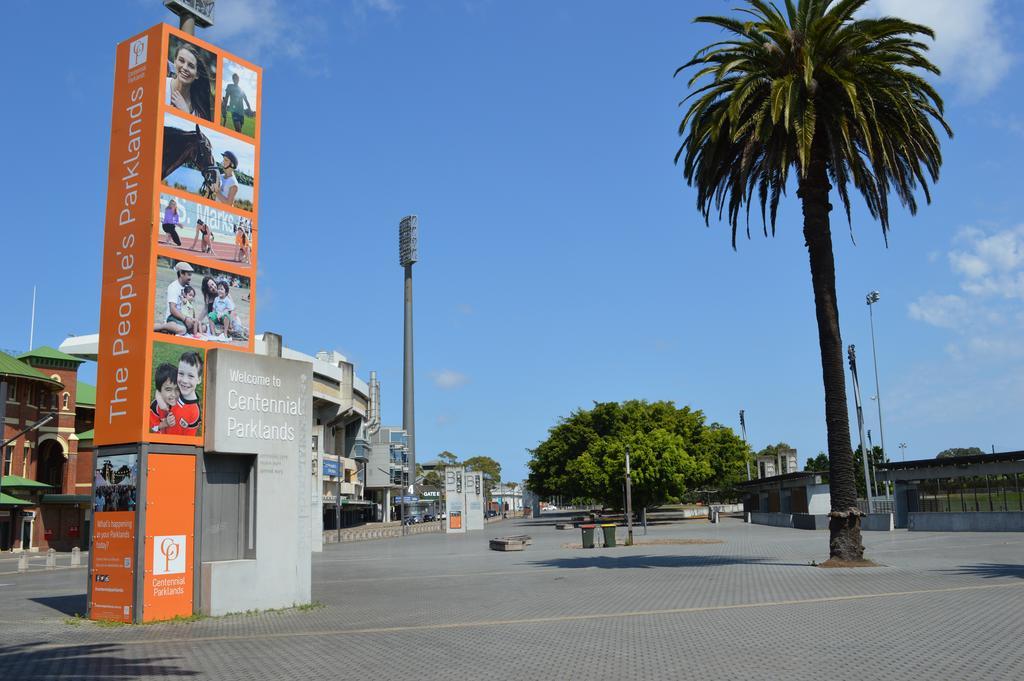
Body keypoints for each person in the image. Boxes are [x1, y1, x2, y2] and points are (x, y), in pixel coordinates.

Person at [166, 42, 212, 120]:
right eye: (181, 60)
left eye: (191, 66)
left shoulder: (199, 110)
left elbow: (200, 132)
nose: (185, 68)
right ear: (174, 62)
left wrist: (186, 114)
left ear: (197, 75)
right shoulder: (161, 84)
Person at [167, 351, 203, 436]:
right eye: (181, 373)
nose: (184, 380)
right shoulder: (174, 392)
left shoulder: (195, 412)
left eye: (190, 376)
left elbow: (188, 442)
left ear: (199, 380)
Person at [154, 261, 194, 334]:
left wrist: (191, 319)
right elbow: (172, 309)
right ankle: (162, 326)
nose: (190, 278)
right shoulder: (173, 287)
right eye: (188, 275)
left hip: (183, 317)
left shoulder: (187, 288)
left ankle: (167, 330)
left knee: (202, 327)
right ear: (181, 273)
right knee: (182, 330)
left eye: (190, 275)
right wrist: (185, 319)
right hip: (173, 317)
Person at [149, 363, 179, 433]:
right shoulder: (155, 406)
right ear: (159, 391)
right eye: (168, 389)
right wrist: (165, 423)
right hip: (162, 441)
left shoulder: (181, 401)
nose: (174, 394)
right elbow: (153, 428)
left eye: (177, 389)